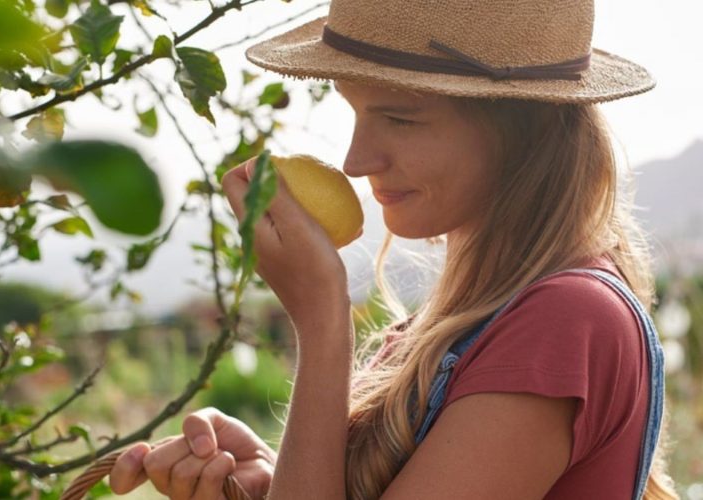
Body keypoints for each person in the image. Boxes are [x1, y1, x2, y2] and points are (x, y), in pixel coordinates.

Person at [109, 0, 680, 498]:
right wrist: (273, 479)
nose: (356, 161)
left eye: (400, 119)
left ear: (525, 132)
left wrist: (322, 319)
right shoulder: (447, 329)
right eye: (355, 110)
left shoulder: (566, 321)